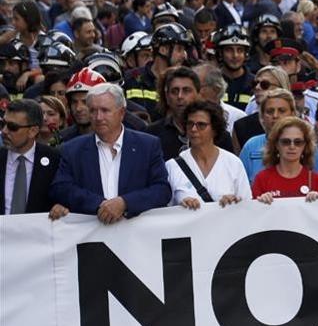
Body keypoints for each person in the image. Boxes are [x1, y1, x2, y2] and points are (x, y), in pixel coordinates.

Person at [49, 83, 171, 222]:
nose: (98, 117)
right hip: (92, 238)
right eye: (93, 111)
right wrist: (100, 205)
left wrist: (124, 203)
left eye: (105, 110)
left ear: (122, 113)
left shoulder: (148, 145)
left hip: (137, 238)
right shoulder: (72, 149)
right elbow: (61, 188)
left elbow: (162, 190)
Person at [166, 100, 251, 208]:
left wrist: (233, 203)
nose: (194, 129)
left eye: (201, 125)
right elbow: (165, 208)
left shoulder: (233, 163)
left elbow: (247, 205)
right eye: (190, 124)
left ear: (215, 129)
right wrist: (181, 205)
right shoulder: (172, 166)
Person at [0, 99, 60, 214]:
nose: (4, 131)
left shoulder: (54, 160)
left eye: (13, 127)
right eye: (3, 124)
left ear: (33, 131)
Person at [251, 116, 318, 203]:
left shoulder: (316, 180)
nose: (292, 146)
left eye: (298, 142)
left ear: (305, 145)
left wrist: (317, 202)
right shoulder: (262, 178)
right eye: (285, 142)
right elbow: (253, 214)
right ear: (276, 144)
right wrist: (261, 202)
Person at [239, 88, 298, 182]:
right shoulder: (251, 146)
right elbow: (240, 183)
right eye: (270, 111)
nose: (275, 116)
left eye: (282, 111)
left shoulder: (304, 143)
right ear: (262, 116)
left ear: (293, 114)